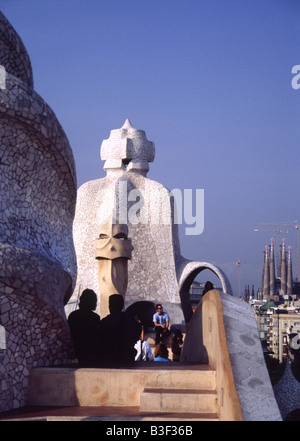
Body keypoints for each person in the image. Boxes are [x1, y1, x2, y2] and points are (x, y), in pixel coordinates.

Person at [100, 294, 141, 364]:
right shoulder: (132, 320)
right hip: (127, 358)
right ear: (122, 306)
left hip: (110, 359)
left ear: (110, 306)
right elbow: (136, 335)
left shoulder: (105, 321)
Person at [67, 289, 102, 367]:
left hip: (77, 353)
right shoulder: (94, 318)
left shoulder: (73, 315)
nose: (96, 303)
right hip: (90, 355)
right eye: (95, 300)